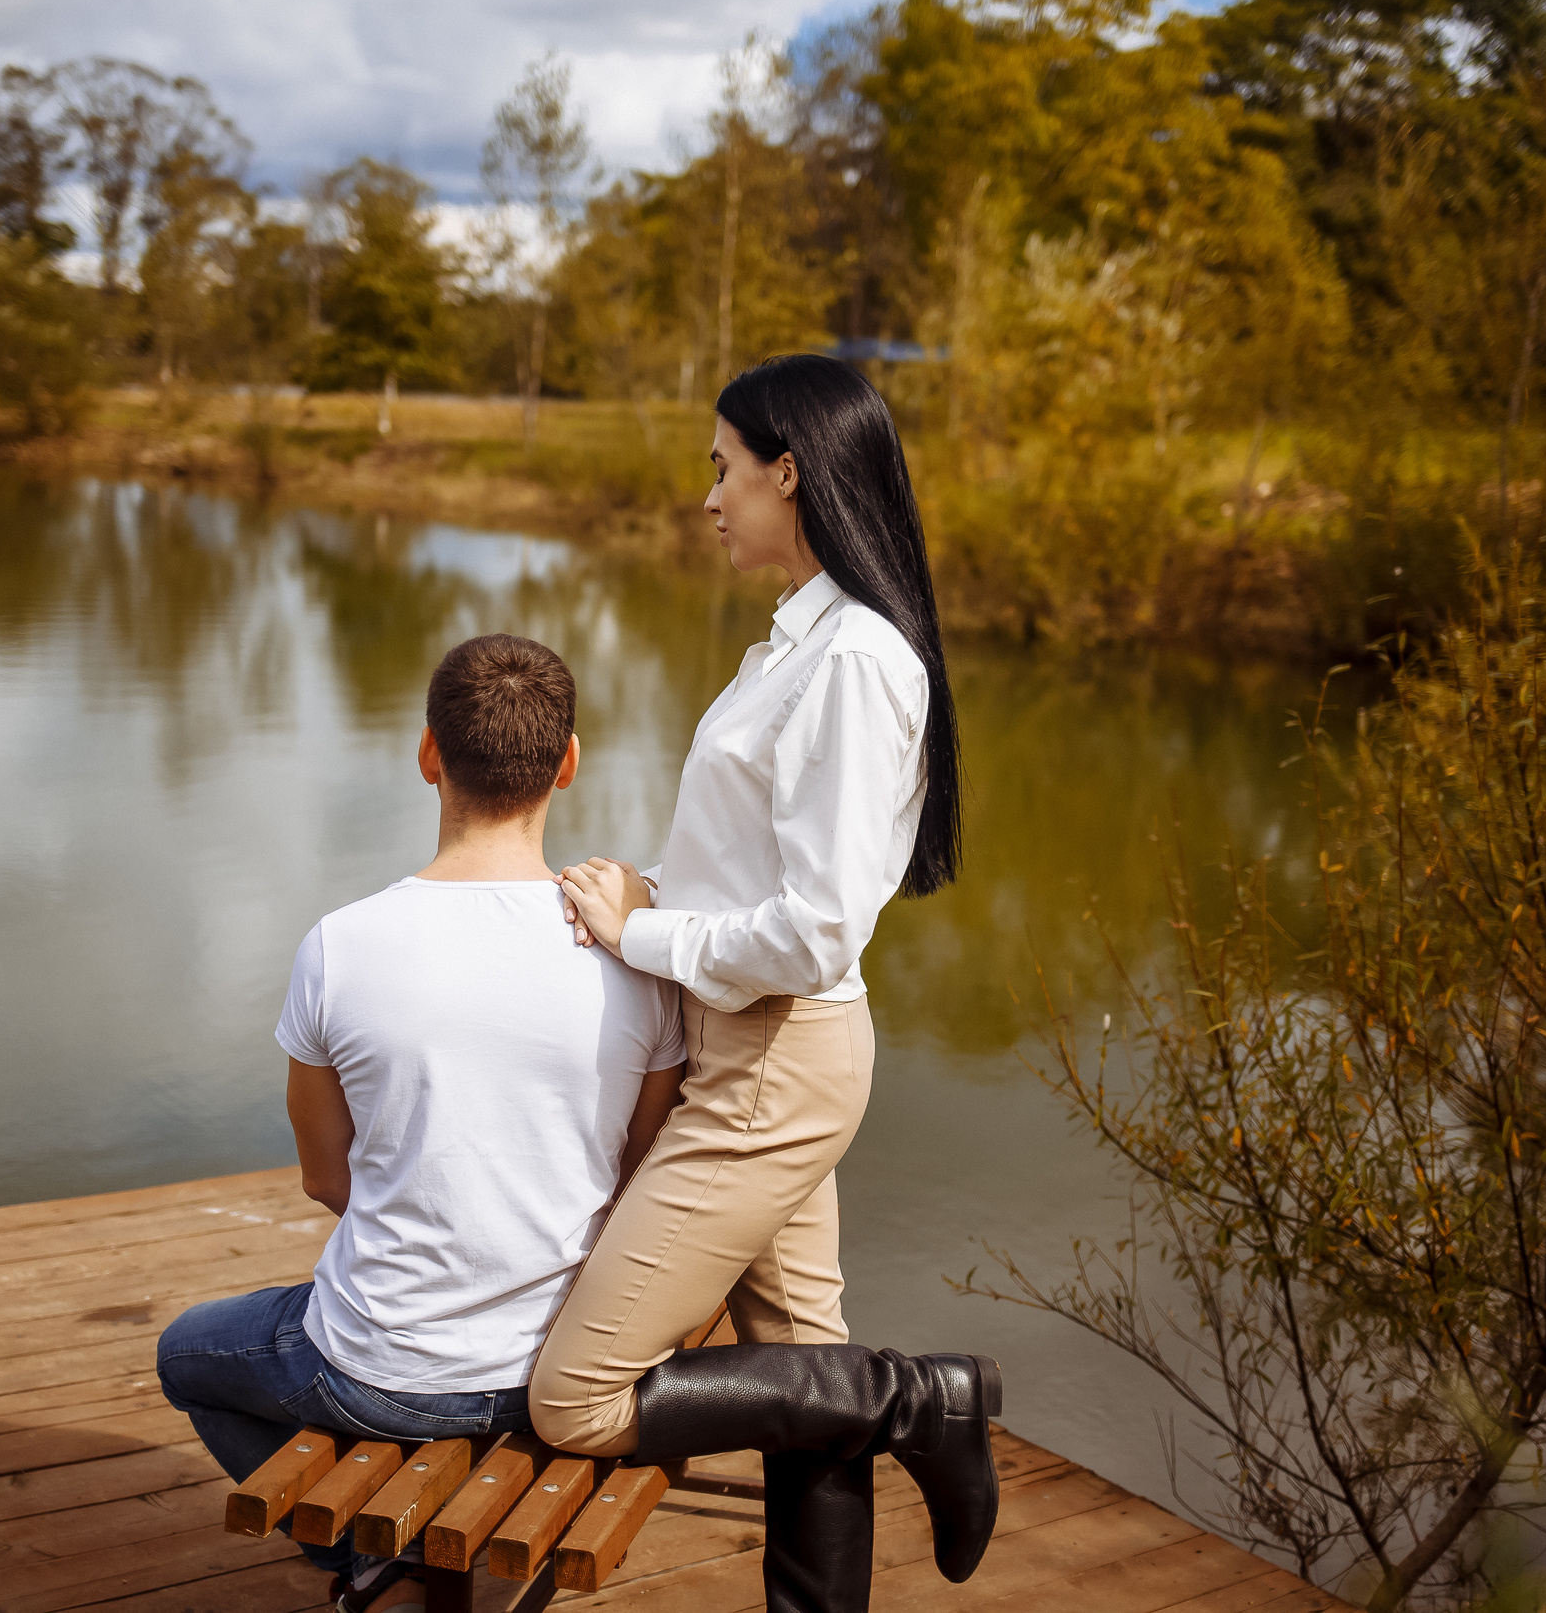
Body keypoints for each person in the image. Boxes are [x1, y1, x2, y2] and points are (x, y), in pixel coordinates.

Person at [548, 354, 1001, 1613]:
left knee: (575, 1397)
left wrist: (640, 940)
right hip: (749, 1051)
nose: (707, 497)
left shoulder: (853, 660)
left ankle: (927, 1398)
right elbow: (744, 871)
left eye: (721, 467)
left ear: (787, 471)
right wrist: (640, 894)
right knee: (801, 1373)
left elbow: (810, 933)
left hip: (773, 1064)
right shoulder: (792, 647)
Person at [157, 633, 687, 1613]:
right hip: (569, 1362)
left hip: (385, 1373)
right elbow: (642, 1173)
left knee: (186, 1356)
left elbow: (326, 1177)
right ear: (567, 763)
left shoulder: (341, 947)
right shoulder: (637, 959)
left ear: (427, 755)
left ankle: (363, 1554)